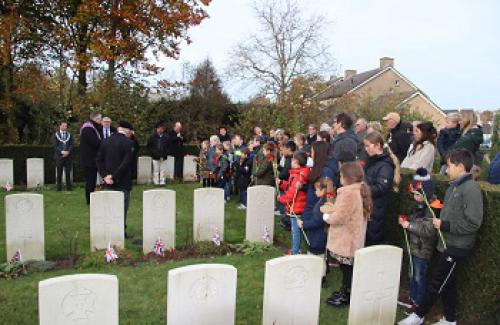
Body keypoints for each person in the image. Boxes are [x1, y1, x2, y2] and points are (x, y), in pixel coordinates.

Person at [399, 149, 483, 325]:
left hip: (457, 246)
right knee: (448, 284)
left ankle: (418, 316)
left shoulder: (471, 189)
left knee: (436, 283)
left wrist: (444, 225)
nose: (446, 169)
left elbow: (474, 223)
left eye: (449, 165)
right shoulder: (455, 185)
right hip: (446, 244)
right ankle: (450, 320)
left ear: (460, 166)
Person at [321, 162, 372, 307]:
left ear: (348, 177)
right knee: (346, 268)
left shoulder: (349, 193)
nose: (340, 178)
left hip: (347, 238)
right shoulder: (358, 189)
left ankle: (346, 295)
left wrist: (327, 217)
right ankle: (345, 291)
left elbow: (341, 217)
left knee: (347, 269)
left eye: (342, 176)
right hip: (352, 236)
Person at [398, 168, 437, 314]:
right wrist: (406, 220)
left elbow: (428, 231)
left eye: (417, 194)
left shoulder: (432, 208)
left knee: (419, 277)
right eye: (413, 194)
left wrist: (409, 225)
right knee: (412, 273)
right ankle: (412, 298)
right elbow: (414, 220)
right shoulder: (418, 206)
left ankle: (419, 304)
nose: (415, 197)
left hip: (422, 250)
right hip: (413, 247)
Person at [96, 121, 134, 238]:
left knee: (110, 207)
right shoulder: (129, 143)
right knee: (122, 208)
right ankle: (121, 231)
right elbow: (125, 163)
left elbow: (98, 160)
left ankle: (110, 231)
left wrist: (105, 176)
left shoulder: (105, 141)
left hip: (108, 181)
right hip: (123, 181)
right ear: (127, 131)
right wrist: (114, 177)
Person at [363, 131, 400, 246]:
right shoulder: (372, 161)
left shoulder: (385, 165)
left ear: (378, 145)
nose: (366, 149)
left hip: (376, 211)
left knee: (371, 244)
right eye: (365, 146)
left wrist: (362, 190)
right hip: (368, 208)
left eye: (368, 146)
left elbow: (382, 187)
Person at [297, 176, 333, 286]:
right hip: (321, 234)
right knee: (320, 256)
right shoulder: (325, 201)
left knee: (318, 256)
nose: (315, 192)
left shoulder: (322, 205)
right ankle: (318, 275)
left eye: (317, 189)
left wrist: (303, 224)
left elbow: (317, 222)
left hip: (318, 235)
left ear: (323, 190)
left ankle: (320, 278)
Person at [278, 151, 310, 255]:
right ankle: (296, 249)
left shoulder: (298, 176)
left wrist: (280, 199)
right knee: (296, 231)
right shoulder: (296, 173)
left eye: (292, 160)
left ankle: (295, 251)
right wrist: (282, 183)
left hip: (296, 208)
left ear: (296, 161)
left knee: (295, 232)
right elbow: (290, 186)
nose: (290, 161)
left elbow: (292, 194)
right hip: (296, 206)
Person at [80, 112, 102, 205]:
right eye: (100, 119)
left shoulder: (93, 127)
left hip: (92, 158)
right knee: (90, 181)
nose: (100, 121)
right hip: (89, 160)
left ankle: (91, 198)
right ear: (96, 119)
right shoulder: (88, 129)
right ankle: (89, 201)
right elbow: (95, 143)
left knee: (92, 181)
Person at [53, 121, 73, 191]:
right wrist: (61, 152)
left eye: (66, 126)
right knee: (59, 172)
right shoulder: (56, 135)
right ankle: (58, 188)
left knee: (68, 172)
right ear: (60, 126)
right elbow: (55, 146)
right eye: (63, 126)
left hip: (68, 157)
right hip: (59, 156)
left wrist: (68, 152)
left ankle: (69, 187)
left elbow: (71, 145)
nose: (65, 127)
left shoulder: (69, 135)